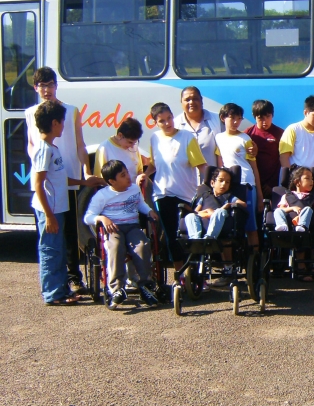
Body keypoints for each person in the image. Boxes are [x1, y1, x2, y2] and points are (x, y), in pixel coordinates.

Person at [26, 66, 103, 294]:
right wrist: (41, 162)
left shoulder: (71, 110)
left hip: (69, 178)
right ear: (35, 88)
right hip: (48, 182)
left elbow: (81, 144)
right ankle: (56, 286)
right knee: (52, 237)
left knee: (70, 232)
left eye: (50, 85)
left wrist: (86, 172)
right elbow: (31, 143)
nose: (46, 90)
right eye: (42, 85)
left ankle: (73, 277)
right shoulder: (31, 112)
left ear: (56, 86)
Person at [83, 160, 161, 309]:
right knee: (115, 247)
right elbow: (88, 217)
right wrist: (101, 218)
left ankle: (145, 285)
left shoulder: (134, 189)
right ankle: (117, 288)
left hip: (132, 227)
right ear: (112, 181)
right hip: (114, 229)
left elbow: (140, 204)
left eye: (126, 172)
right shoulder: (102, 195)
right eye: (123, 175)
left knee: (142, 245)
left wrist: (149, 210)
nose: (128, 177)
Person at [145, 103, 207, 271]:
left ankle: (195, 272)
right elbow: (153, 164)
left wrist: (205, 186)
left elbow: (201, 165)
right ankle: (180, 272)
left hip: (186, 194)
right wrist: (145, 174)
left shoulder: (187, 137)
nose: (167, 123)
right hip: (163, 193)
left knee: (190, 234)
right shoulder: (154, 138)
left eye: (169, 118)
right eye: (162, 121)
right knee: (171, 235)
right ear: (155, 123)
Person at [215, 102, 262, 249]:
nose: (236, 122)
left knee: (250, 226)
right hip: (227, 186)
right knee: (229, 224)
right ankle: (231, 263)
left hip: (246, 184)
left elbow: (254, 167)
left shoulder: (245, 138)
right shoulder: (218, 137)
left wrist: (259, 195)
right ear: (223, 118)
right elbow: (219, 162)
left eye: (239, 119)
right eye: (232, 118)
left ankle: (254, 263)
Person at [279, 95, 314, 187]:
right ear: (306, 112)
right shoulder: (293, 130)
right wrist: (290, 181)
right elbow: (283, 157)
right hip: (295, 186)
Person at [184, 167, 246, 240]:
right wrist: (208, 213)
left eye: (227, 182)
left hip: (221, 219)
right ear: (212, 183)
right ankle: (195, 240)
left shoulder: (229, 196)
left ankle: (209, 238)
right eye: (221, 180)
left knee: (220, 211)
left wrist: (228, 205)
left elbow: (243, 204)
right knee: (190, 216)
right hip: (203, 217)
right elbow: (196, 212)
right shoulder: (204, 196)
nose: (223, 184)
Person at [275, 165, 314, 234]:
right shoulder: (286, 196)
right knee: (277, 211)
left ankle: (302, 226)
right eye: (307, 178)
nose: (312, 181)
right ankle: (282, 226)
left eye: (312, 179)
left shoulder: (313, 195)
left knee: (308, 209)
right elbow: (282, 209)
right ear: (297, 182)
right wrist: (292, 208)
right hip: (289, 218)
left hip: (306, 219)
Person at [174, 86, 222, 169]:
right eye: (187, 99)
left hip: (212, 179)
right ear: (181, 102)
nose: (191, 102)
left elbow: (230, 142)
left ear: (201, 100)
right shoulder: (175, 124)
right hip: (186, 181)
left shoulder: (218, 120)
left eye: (195, 99)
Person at [93, 117, 149, 188]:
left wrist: (141, 176)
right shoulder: (104, 148)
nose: (132, 146)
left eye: (135, 143)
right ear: (120, 135)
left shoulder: (133, 147)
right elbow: (100, 179)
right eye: (130, 142)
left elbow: (139, 169)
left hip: (134, 193)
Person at [245, 99, 284, 198]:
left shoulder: (280, 134)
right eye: (260, 118)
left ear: (272, 115)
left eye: (268, 116)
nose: (264, 121)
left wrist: (271, 185)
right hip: (254, 185)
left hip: (274, 186)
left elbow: (282, 161)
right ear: (254, 117)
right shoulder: (247, 134)